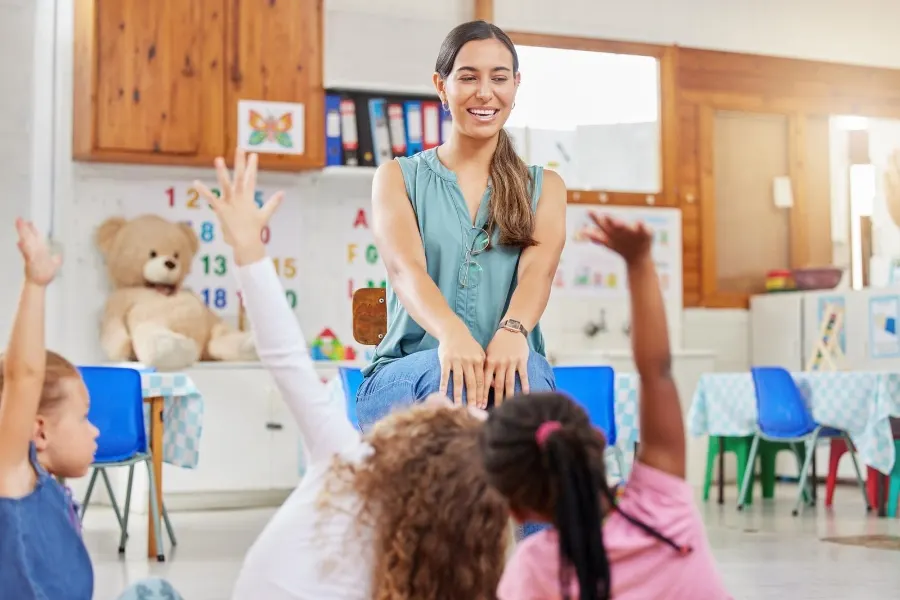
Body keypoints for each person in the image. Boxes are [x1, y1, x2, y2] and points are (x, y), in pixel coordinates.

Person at [195, 149, 510, 600]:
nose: (451, 395)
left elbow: (285, 357)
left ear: (413, 439)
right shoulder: (432, 560)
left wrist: (248, 251)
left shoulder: (347, 459)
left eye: (453, 409)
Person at [480, 213, 732, 600]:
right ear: (596, 440)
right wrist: (639, 262)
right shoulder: (663, 509)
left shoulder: (534, 570)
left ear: (515, 510)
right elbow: (658, 373)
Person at [356, 19, 567, 429]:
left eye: (499, 78)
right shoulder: (397, 178)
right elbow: (406, 270)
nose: (484, 92)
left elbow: (537, 275)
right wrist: (450, 335)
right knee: (449, 380)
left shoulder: (547, 187)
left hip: (508, 365)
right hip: (407, 376)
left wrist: (512, 331)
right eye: (468, 77)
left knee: (531, 381)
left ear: (515, 86)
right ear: (442, 86)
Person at [0, 219, 181, 600]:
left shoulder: (45, 485)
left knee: (156, 590)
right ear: (40, 430)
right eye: (83, 418)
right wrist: (35, 285)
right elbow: (24, 377)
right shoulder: (11, 478)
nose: (95, 430)